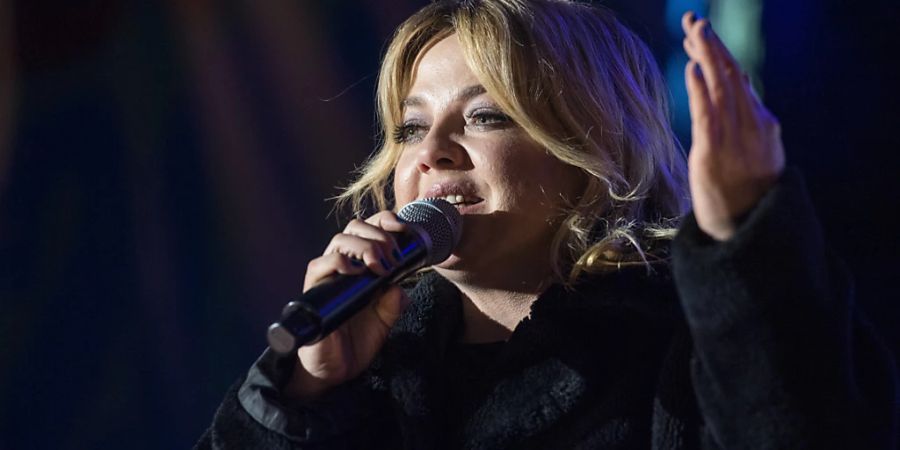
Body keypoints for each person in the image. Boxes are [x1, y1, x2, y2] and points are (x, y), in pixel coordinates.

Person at [196, 1, 897, 448]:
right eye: (411, 127)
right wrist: (309, 395)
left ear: (591, 155)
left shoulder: (682, 350)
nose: (432, 150)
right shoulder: (368, 375)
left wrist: (747, 237)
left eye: (484, 116)